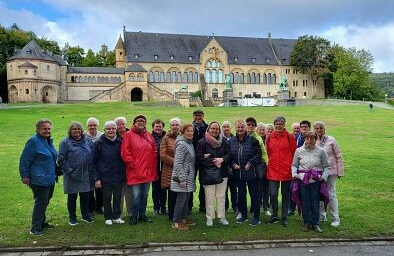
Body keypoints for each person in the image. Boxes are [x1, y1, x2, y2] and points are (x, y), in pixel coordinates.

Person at [20, 119, 57, 236]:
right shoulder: (33, 142)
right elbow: (25, 160)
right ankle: (35, 228)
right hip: (39, 179)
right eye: (44, 129)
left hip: (50, 178)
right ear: (37, 129)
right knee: (41, 202)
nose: (47, 131)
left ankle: (41, 222)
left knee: (45, 201)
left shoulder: (47, 141)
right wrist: (25, 176)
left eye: (49, 128)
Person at [121, 115, 157, 225]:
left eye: (143, 121)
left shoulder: (149, 135)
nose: (141, 122)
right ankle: (134, 216)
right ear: (134, 122)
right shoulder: (128, 135)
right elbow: (125, 153)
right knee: (136, 196)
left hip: (147, 171)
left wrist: (152, 163)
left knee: (144, 195)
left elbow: (154, 150)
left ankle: (142, 215)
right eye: (138, 121)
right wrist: (134, 165)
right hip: (135, 172)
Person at [291, 131, 330, 233]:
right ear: (305, 139)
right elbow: (294, 165)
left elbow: (326, 167)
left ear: (315, 139)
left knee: (315, 201)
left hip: (316, 180)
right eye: (307, 138)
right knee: (305, 201)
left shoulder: (321, 151)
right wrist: (295, 174)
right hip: (303, 180)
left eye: (311, 138)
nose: (309, 141)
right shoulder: (299, 151)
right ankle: (306, 222)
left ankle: (315, 223)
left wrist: (324, 177)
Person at [58, 121, 94, 225]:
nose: (76, 131)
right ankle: (72, 217)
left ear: (82, 130)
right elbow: (61, 159)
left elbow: (92, 155)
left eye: (78, 129)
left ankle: (85, 215)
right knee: (72, 197)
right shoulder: (65, 142)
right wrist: (70, 171)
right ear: (70, 130)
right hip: (72, 174)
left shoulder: (88, 141)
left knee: (85, 196)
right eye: (74, 129)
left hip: (86, 173)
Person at [90, 121, 125, 225]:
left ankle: (117, 216)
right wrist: (96, 178)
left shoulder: (120, 142)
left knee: (118, 197)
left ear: (116, 130)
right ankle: (108, 217)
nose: (111, 130)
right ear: (104, 130)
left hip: (118, 175)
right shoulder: (99, 143)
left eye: (113, 128)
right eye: (108, 129)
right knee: (107, 197)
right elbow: (93, 161)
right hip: (104, 176)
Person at [196, 121, 231, 226]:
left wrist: (222, 159)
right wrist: (214, 162)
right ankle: (209, 217)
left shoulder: (224, 141)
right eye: (212, 128)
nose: (215, 130)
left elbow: (229, 155)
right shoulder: (202, 142)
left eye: (216, 128)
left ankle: (222, 217)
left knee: (221, 196)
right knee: (209, 196)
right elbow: (199, 158)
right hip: (208, 174)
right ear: (208, 129)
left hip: (222, 172)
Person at [229, 118, 262, 226]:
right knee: (241, 196)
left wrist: (250, 163)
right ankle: (243, 215)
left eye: (242, 127)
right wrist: (233, 164)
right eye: (238, 127)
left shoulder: (253, 140)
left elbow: (258, 155)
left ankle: (256, 216)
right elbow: (229, 156)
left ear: (246, 128)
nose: (240, 129)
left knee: (254, 195)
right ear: (235, 128)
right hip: (238, 174)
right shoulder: (232, 141)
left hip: (251, 173)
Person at [265, 116, 296, 227]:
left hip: (286, 170)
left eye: (280, 124)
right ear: (274, 125)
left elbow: (294, 153)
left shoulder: (289, 137)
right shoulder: (270, 137)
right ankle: (274, 215)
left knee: (285, 194)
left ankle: (284, 217)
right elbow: (268, 152)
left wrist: (291, 166)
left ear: (284, 125)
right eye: (276, 124)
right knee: (273, 193)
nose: (278, 126)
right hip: (273, 170)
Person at [314, 121, 344, 227]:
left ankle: (335, 218)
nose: (319, 130)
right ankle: (322, 215)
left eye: (321, 128)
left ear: (324, 129)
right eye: (317, 128)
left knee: (331, 194)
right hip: (319, 172)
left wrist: (340, 171)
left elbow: (338, 155)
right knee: (320, 193)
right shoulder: (313, 140)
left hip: (331, 171)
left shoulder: (331, 140)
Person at [171, 123, 196, 230]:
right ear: (183, 132)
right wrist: (182, 178)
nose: (190, 133)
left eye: (191, 131)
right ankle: (176, 223)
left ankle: (184, 219)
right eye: (188, 131)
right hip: (182, 177)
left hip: (188, 177)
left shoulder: (189, 143)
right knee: (181, 200)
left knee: (186, 198)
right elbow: (177, 163)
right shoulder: (182, 144)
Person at [246, 117, 269, 218]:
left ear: (255, 127)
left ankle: (254, 210)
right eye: (249, 124)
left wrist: (266, 164)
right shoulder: (241, 136)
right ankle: (243, 211)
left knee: (256, 190)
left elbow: (263, 154)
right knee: (244, 191)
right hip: (243, 167)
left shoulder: (258, 138)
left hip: (255, 168)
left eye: (252, 125)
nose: (250, 126)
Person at [160, 118, 181, 222]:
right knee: (172, 194)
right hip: (170, 170)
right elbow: (163, 155)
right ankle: (172, 215)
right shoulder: (166, 138)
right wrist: (177, 162)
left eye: (177, 124)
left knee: (181, 194)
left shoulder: (183, 137)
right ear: (170, 126)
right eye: (173, 125)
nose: (175, 126)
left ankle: (180, 215)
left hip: (182, 171)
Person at [289, 120, 311, 216]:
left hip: (308, 168)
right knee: (293, 188)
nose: (303, 128)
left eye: (305, 127)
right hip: (296, 166)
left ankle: (306, 209)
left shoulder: (311, 138)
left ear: (309, 128)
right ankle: (292, 208)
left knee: (306, 190)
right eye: (302, 127)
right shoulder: (296, 137)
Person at [85, 117, 104, 215]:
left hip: (99, 165)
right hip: (88, 165)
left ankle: (99, 208)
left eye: (94, 125)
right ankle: (91, 208)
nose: (92, 127)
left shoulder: (102, 136)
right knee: (89, 188)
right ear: (87, 126)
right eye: (90, 125)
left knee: (99, 187)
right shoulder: (83, 136)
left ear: (98, 126)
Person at [191, 109, 208, 213]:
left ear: (203, 116)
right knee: (190, 183)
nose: (198, 118)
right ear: (193, 116)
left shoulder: (207, 128)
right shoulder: (189, 127)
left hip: (203, 159)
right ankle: (189, 205)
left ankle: (203, 205)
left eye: (200, 116)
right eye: (196, 116)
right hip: (192, 159)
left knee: (203, 183)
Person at [114, 116, 131, 218]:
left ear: (125, 124)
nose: (120, 126)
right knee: (118, 193)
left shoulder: (130, 134)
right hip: (117, 167)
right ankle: (118, 213)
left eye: (122, 124)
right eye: (118, 124)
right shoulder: (113, 135)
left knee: (129, 192)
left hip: (129, 167)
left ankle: (130, 212)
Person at [151, 119, 167, 215]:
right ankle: (156, 207)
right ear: (153, 127)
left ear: (162, 127)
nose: (158, 128)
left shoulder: (166, 136)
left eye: (160, 126)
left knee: (164, 188)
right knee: (155, 188)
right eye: (156, 126)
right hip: (154, 166)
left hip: (165, 166)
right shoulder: (149, 136)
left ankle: (163, 207)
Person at [222, 121, 238, 214]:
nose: (226, 128)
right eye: (224, 127)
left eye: (228, 126)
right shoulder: (219, 139)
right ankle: (225, 206)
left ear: (230, 128)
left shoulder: (234, 138)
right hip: (223, 167)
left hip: (233, 167)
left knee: (233, 188)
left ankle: (235, 206)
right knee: (223, 189)